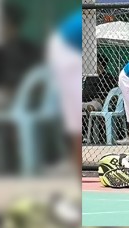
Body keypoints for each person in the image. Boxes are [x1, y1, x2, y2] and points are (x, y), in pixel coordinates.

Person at [46, 9, 82, 173]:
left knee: (72, 121)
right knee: (72, 122)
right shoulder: (64, 42)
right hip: (65, 58)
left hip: (64, 58)